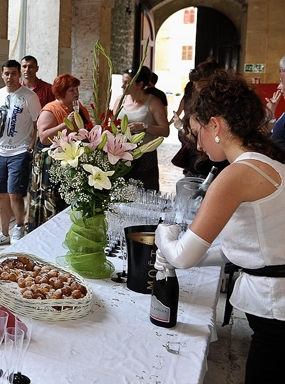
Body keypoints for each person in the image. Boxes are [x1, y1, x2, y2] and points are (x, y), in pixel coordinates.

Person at [154, 69, 285, 383]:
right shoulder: (264, 160)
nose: (198, 146)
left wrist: (163, 235)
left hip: (276, 308)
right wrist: (184, 253)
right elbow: (242, 248)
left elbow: (182, 257)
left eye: (197, 131)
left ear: (215, 125)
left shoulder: (236, 175)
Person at [0, 59, 41, 245]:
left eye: (14, 73)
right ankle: (3, 233)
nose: (10, 77)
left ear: (19, 74)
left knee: (14, 193)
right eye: (7, 73)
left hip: (19, 151)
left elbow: (37, 124)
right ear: (2, 75)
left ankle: (19, 227)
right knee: (2, 193)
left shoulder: (29, 97)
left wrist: (31, 146)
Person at [30, 73, 92, 230]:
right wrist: (65, 124)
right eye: (71, 90)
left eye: (76, 89)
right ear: (61, 92)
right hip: (51, 164)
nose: (76, 93)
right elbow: (44, 137)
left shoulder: (79, 108)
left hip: (73, 161)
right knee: (52, 201)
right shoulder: (50, 109)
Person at [115, 66, 169, 190]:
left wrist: (143, 126)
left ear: (139, 84)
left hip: (145, 156)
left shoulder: (154, 102)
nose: (122, 86)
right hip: (122, 154)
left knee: (146, 193)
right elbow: (110, 122)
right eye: (122, 82)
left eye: (127, 83)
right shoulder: (120, 100)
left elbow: (165, 131)